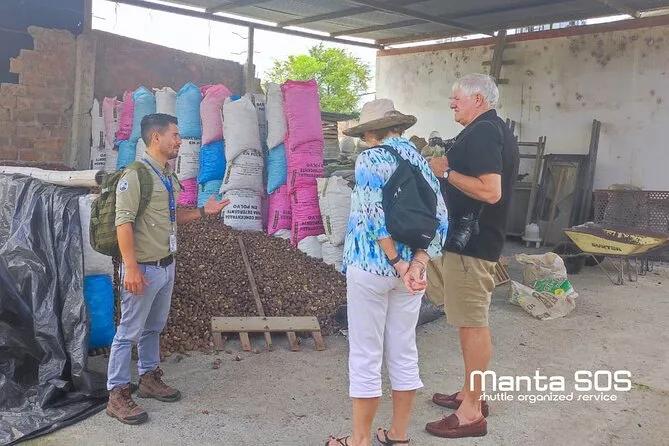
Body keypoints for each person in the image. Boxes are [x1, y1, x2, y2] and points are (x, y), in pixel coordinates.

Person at [326, 99, 449, 446]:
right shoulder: (421, 162)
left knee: (366, 353)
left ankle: (359, 439)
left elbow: (372, 218)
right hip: (411, 275)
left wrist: (396, 261)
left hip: (371, 268)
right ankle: (398, 434)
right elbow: (441, 220)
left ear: (370, 134)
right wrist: (417, 264)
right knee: (404, 349)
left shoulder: (370, 159)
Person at [106, 113, 230, 425]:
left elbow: (172, 215)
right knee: (128, 333)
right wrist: (130, 268)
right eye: (175, 135)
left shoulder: (165, 174)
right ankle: (117, 394)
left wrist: (203, 211)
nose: (179, 141)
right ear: (156, 137)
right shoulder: (136, 175)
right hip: (143, 268)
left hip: (165, 265)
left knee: (153, 328)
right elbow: (123, 223)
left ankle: (148, 378)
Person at [425, 74, 519, 438]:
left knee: (473, 323)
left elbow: (491, 191)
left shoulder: (483, 132)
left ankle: (471, 413)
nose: (451, 103)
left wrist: (445, 171)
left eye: (457, 98)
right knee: (468, 322)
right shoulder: (488, 129)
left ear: (478, 99)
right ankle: (470, 393)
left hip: (473, 245)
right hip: (471, 243)